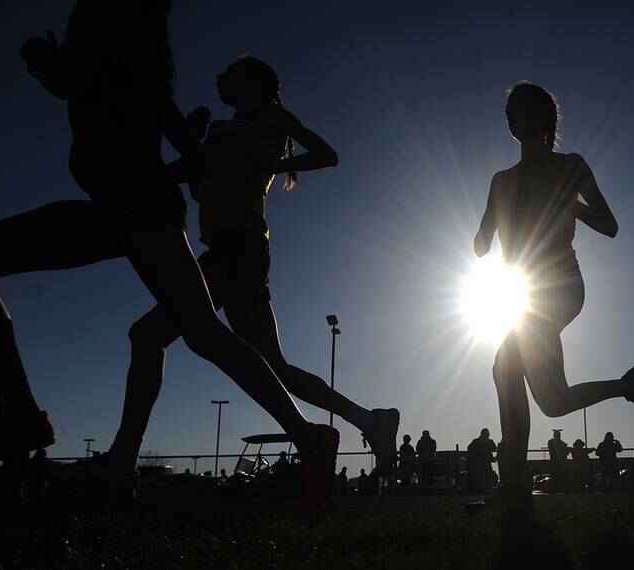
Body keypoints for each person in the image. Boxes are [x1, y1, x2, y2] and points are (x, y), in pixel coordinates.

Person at [0, 0, 336, 510]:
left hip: (142, 209)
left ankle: (28, 418)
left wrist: (45, 61)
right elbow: (170, 125)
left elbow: (71, 79)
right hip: (136, 204)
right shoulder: (146, 40)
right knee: (198, 334)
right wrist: (199, 151)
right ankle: (304, 437)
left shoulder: (104, 11)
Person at [48, 55, 399, 495]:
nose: (219, 77)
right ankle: (370, 419)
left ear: (257, 83)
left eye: (231, 74)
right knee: (276, 368)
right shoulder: (218, 130)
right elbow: (189, 178)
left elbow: (326, 154)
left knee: (149, 334)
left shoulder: (270, 116)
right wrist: (172, 160)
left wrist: (268, 165)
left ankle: (122, 460)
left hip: (242, 248)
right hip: (228, 249)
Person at [472, 82, 634, 516]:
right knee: (553, 401)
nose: (512, 115)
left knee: (504, 365)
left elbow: (610, 225)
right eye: (509, 110)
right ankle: (627, 386)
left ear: (545, 118)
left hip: (562, 286)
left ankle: (513, 487)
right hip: (520, 292)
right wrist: (486, 230)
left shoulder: (570, 167)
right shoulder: (501, 181)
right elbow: (481, 246)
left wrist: (570, 207)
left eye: (521, 107)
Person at [467, 428, 497, 493]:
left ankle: (487, 489)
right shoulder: (476, 442)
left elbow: (495, 449)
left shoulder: (489, 442)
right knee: (483, 477)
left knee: (489, 477)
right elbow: (469, 449)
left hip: (485, 464)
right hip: (479, 465)